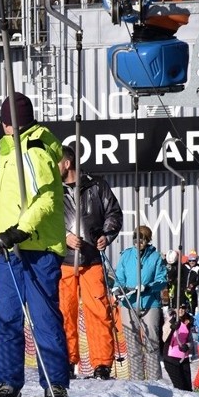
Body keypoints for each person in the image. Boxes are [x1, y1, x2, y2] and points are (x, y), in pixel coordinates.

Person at [0, 92, 70, 397]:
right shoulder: (8, 152)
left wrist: (20, 230)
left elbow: (46, 201)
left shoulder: (35, 150)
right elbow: (6, 195)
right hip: (9, 249)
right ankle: (8, 384)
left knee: (43, 319)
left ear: (8, 123)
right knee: (7, 319)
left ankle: (54, 384)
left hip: (36, 247)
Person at [57, 144, 123, 380]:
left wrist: (106, 234)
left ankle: (102, 364)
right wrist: (64, 236)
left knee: (98, 310)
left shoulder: (96, 185)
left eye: (56, 162)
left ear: (66, 163)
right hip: (63, 261)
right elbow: (46, 221)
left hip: (92, 259)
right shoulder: (53, 191)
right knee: (65, 312)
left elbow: (114, 213)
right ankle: (66, 360)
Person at [112, 225, 167, 380]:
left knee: (151, 343)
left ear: (147, 240)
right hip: (129, 303)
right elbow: (119, 277)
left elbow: (162, 280)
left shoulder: (155, 257)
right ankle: (136, 380)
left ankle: (154, 380)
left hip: (150, 303)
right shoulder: (126, 256)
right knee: (132, 343)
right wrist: (117, 289)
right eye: (136, 237)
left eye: (142, 238)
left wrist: (148, 287)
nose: (139, 241)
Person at [161, 308, 193, 391]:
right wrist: (172, 327)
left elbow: (190, 340)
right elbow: (164, 338)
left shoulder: (188, 321)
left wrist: (187, 345)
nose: (181, 310)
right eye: (179, 308)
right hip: (171, 358)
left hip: (183, 357)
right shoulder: (170, 320)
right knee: (180, 387)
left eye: (183, 308)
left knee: (188, 387)